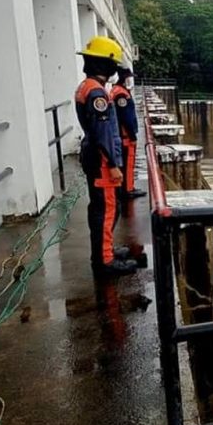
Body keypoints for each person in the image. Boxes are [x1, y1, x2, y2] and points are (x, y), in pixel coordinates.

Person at [75, 36, 137, 276]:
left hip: (94, 154)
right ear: (105, 64)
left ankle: (105, 250)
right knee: (107, 209)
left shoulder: (86, 86)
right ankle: (105, 261)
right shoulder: (97, 93)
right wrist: (112, 164)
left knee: (101, 208)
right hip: (102, 161)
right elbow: (102, 132)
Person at [110, 66, 146, 199]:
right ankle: (127, 189)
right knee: (128, 163)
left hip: (120, 134)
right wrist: (132, 135)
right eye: (129, 78)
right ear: (124, 78)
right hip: (125, 136)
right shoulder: (121, 94)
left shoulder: (115, 90)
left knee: (123, 163)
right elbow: (126, 118)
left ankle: (123, 187)